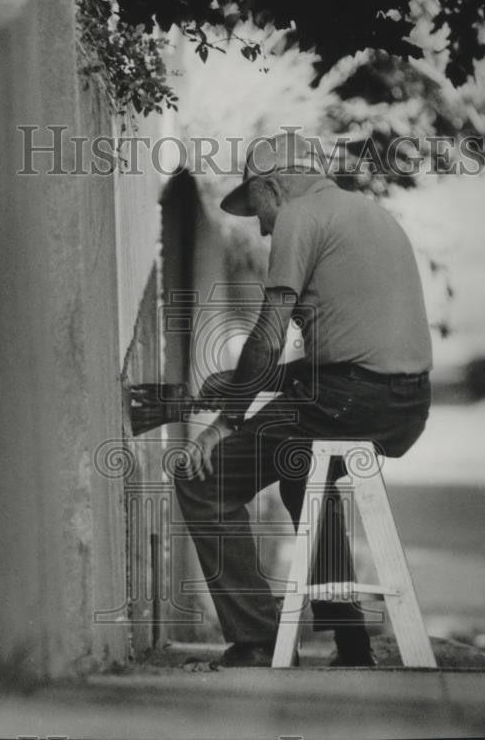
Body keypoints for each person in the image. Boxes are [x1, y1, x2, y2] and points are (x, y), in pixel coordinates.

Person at [175, 131, 433, 667]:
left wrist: (225, 421)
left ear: (272, 188)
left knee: (203, 478)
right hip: (404, 406)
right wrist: (255, 383)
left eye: (259, 211)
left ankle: (258, 639)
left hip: (351, 399)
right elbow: (347, 353)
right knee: (300, 477)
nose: (264, 226)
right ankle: (351, 641)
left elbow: (267, 337)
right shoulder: (369, 213)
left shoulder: (299, 217)